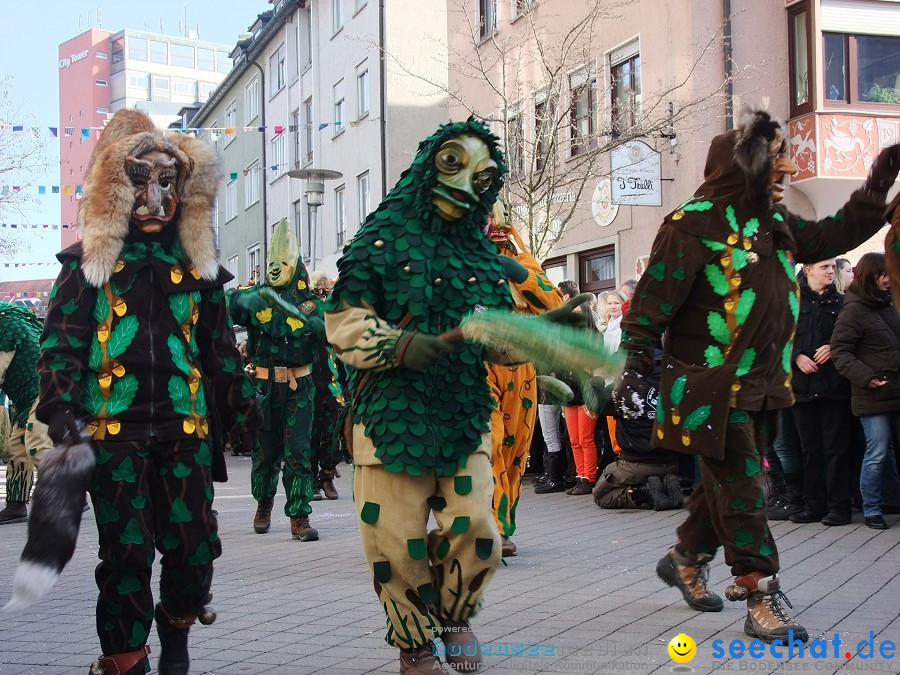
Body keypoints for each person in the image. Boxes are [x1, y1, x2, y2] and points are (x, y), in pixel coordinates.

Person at [615, 107, 898, 644]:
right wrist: (634, 365)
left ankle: (686, 557)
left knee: (730, 486)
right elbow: (649, 305)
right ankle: (760, 590)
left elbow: (834, 233)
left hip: (765, 385)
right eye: (777, 167)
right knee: (745, 485)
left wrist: (880, 179)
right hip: (707, 387)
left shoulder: (775, 224)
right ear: (745, 168)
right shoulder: (689, 224)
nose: (785, 178)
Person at [35, 109, 258, 675]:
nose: (155, 199)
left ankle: (177, 623)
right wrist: (62, 411)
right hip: (115, 435)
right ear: (115, 187)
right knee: (127, 553)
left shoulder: (198, 269)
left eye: (168, 182)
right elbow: (60, 346)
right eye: (140, 181)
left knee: (193, 551)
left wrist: (239, 406)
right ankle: (125, 659)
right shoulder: (86, 267)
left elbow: (218, 349)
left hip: (186, 431)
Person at [323, 120, 517, 674]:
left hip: (462, 414)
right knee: (397, 542)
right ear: (431, 160)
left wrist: (546, 337)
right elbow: (341, 323)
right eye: (454, 165)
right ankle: (413, 642)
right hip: (391, 418)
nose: (463, 187)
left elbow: (498, 338)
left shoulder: (481, 253)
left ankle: (455, 613)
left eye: (480, 179)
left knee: (478, 529)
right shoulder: (381, 236)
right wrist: (397, 345)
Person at [231, 220, 324, 542]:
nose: (275, 270)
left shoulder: (313, 305)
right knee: (265, 453)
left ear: (295, 266)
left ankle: (300, 515)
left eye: (282, 264)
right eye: (270, 264)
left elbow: (337, 336)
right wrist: (246, 300)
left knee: (298, 452)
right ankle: (264, 503)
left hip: (299, 389)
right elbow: (229, 306)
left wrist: (323, 325)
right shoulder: (256, 298)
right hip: (264, 389)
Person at [482, 203, 563, 557]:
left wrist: (518, 272)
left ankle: (502, 523)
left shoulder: (519, 257)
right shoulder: (457, 258)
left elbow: (554, 303)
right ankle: (489, 527)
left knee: (515, 451)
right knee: (490, 443)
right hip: (476, 366)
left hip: (521, 371)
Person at [830, 253, 900, 530]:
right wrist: (866, 377)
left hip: (896, 389)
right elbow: (840, 351)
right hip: (872, 393)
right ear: (871, 275)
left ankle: (892, 499)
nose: (888, 279)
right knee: (878, 450)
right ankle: (872, 508)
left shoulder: (889, 305)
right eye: (884, 274)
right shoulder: (854, 310)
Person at [788, 259, 853, 525]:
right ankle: (812, 504)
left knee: (836, 449)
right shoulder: (791, 302)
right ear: (808, 270)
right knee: (809, 449)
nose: (830, 271)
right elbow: (778, 338)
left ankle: (839, 506)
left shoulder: (843, 303)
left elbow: (854, 339)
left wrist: (834, 347)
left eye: (832, 267)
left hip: (834, 387)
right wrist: (796, 357)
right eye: (824, 266)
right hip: (803, 389)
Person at [593, 347, 684, 511]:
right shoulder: (676, 375)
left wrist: (597, 378)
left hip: (637, 462)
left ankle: (642, 492)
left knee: (600, 495)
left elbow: (598, 403)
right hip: (672, 461)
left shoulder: (626, 383)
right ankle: (667, 485)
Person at [0, 303, 52, 524]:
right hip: (30, 396)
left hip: (42, 391)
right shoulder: (15, 319)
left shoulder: (7, 328)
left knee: (38, 445)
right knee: (18, 448)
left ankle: (71, 495)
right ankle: (15, 504)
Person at [308, 270, 347, 501]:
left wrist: (347, 386)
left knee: (333, 436)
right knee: (311, 437)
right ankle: (312, 480)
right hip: (310, 387)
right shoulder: (308, 317)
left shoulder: (336, 325)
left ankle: (328, 476)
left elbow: (343, 358)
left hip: (333, 389)